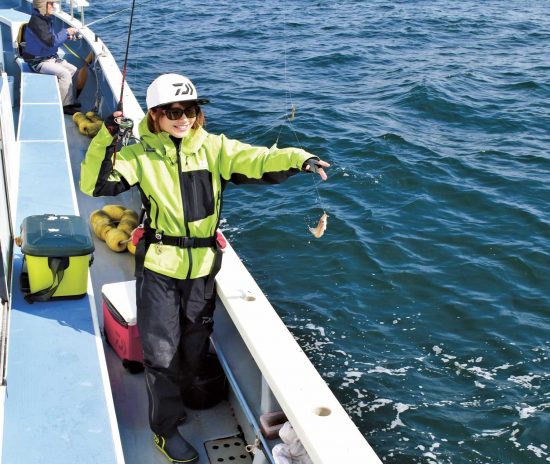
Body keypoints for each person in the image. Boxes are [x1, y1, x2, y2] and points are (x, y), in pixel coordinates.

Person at [80, 73, 329, 463]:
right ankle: (164, 428)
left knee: (196, 339)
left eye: (191, 110)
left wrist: (301, 159)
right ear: (157, 116)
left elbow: (259, 159)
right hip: (160, 267)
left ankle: (192, 389)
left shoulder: (214, 149)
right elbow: (95, 184)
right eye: (174, 112)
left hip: (202, 268)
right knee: (160, 353)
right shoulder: (138, 155)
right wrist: (106, 138)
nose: (183, 118)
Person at [23, 0, 80, 114]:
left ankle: (68, 100)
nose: (53, 6)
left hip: (49, 57)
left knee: (74, 70)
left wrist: (65, 36)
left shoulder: (45, 19)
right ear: (42, 5)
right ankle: (63, 106)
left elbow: (50, 39)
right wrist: (66, 32)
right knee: (65, 74)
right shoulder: (37, 22)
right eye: (50, 3)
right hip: (37, 62)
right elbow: (50, 43)